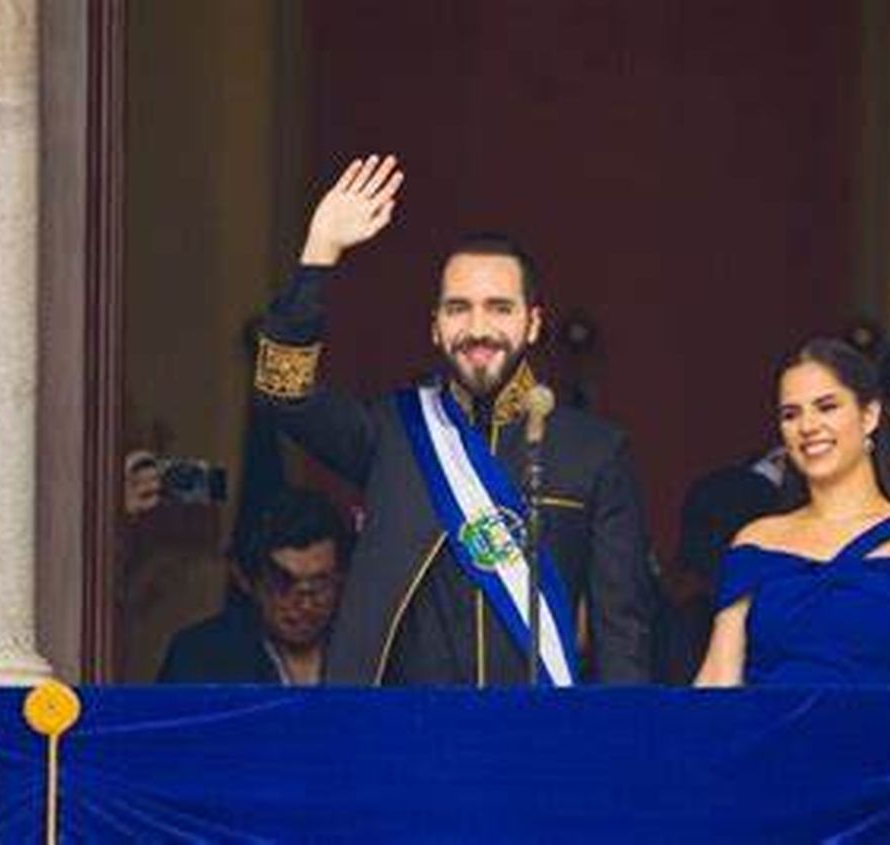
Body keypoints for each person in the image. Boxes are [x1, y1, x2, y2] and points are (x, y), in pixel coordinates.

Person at [254, 154, 654, 686]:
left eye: (499, 308)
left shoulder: (595, 452)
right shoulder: (392, 433)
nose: (478, 327)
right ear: (436, 328)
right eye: (458, 308)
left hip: (536, 744)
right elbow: (282, 393)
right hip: (401, 744)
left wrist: (622, 756)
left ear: (533, 323)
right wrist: (318, 255)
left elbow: (622, 632)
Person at [694, 338, 890, 687]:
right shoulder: (756, 542)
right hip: (769, 741)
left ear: (869, 415)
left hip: (885, 742)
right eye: (791, 414)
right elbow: (718, 680)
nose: (808, 426)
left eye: (826, 407)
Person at [157, 487, 351, 685]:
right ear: (247, 580)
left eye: (321, 584)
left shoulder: (367, 648)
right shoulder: (197, 658)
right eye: (285, 584)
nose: (307, 605)